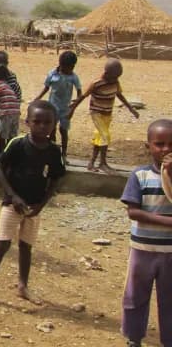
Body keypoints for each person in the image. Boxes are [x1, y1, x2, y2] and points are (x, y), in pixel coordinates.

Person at [0, 100, 65, 307]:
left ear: (54, 124)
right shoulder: (17, 144)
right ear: (27, 122)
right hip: (12, 203)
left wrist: (42, 204)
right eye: (37, 121)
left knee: (26, 246)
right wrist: (13, 196)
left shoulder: (54, 151)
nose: (42, 126)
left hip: (34, 206)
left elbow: (56, 179)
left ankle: (23, 286)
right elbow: (0, 169)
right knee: (3, 244)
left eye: (47, 122)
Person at [119, 119, 172, 347]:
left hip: (170, 251)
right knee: (136, 295)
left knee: (169, 299)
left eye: (171, 144)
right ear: (148, 146)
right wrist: (168, 222)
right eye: (159, 144)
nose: (166, 149)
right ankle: (134, 338)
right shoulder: (139, 175)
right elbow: (134, 212)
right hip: (142, 249)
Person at [69, 59, 139, 173]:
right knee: (105, 136)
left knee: (100, 138)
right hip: (97, 113)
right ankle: (102, 163)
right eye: (114, 77)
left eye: (117, 77)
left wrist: (131, 108)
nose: (115, 80)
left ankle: (91, 163)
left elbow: (119, 95)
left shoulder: (115, 82)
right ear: (106, 74)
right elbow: (83, 96)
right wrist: (72, 110)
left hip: (107, 114)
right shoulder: (96, 83)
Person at [33, 51, 81, 157]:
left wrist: (73, 107)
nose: (71, 70)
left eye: (72, 67)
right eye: (69, 67)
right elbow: (46, 88)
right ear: (61, 65)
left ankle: (64, 154)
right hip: (52, 108)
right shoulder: (52, 74)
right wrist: (38, 98)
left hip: (66, 109)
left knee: (63, 131)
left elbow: (79, 92)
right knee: (51, 130)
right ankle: (51, 152)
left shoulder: (73, 77)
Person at [0, 65, 21, 157]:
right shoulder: (7, 85)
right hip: (16, 111)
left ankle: (2, 154)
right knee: (12, 135)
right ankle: (11, 153)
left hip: (6, 112)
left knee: (2, 134)